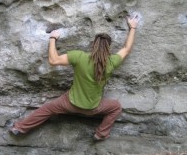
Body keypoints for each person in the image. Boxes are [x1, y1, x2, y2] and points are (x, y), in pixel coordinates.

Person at [9, 15, 139, 141]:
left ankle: (19, 128)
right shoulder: (112, 62)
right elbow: (126, 49)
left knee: (46, 109)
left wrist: (53, 38)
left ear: (93, 45)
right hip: (93, 108)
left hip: (69, 103)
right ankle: (101, 134)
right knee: (116, 107)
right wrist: (132, 27)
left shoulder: (80, 57)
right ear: (108, 48)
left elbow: (53, 60)